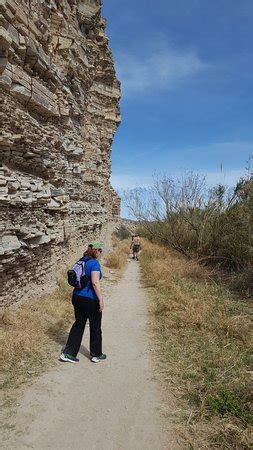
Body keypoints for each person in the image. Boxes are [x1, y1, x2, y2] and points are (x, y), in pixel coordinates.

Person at [60, 241, 106, 364]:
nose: (101, 253)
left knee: (79, 324)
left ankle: (68, 353)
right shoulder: (94, 263)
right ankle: (96, 354)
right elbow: (95, 283)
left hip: (77, 296)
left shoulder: (82, 260)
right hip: (90, 299)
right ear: (96, 251)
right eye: (100, 250)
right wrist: (101, 299)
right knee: (95, 326)